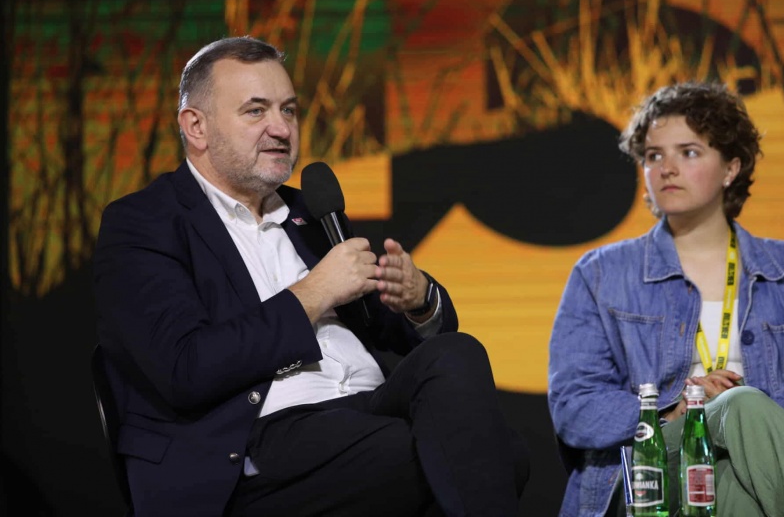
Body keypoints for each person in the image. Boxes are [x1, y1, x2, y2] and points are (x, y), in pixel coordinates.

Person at [93, 35, 529, 517]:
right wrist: (314, 292)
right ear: (196, 126)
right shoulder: (145, 223)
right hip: (261, 441)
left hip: (365, 409)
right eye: (256, 111)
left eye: (289, 110)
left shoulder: (311, 213)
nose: (281, 128)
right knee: (488, 458)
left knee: (455, 354)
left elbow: (392, 327)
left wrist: (418, 301)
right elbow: (185, 369)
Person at [547, 81, 784, 517]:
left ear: (731, 168)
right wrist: (679, 407)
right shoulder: (600, 273)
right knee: (735, 412)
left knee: (732, 475)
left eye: (688, 152)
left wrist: (745, 407)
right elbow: (574, 405)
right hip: (656, 465)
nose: (667, 169)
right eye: (653, 155)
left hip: (756, 469)